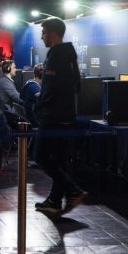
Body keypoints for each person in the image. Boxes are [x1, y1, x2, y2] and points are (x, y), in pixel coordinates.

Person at [33, 18, 87, 216]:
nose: (42, 37)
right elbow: (76, 86)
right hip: (66, 115)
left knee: (40, 156)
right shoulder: (69, 55)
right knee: (59, 159)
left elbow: (51, 88)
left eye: (44, 32)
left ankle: (73, 190)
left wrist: (39, 107)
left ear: (53, 33)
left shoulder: (57, 55)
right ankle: (55, 201)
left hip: (53, 116)